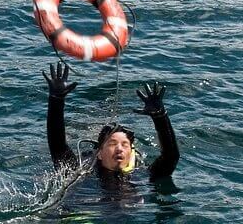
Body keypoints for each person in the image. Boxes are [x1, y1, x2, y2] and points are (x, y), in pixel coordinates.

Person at [43, 63, 179, 182]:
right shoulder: (80, 173)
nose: (119, 148)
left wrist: (160, 116)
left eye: (125, 145)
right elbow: (57, 145)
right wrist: (56, 99)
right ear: (100, 153)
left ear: (131, 152)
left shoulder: (145, 176)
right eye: (113, 144)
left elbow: (171, 157)